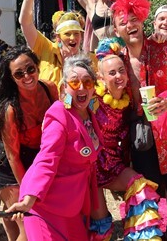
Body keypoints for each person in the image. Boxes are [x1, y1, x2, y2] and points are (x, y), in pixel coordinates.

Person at [111, 0, 167, 241]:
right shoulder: (116, 61)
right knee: (147, 196)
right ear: (117, 30)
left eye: (134, 19)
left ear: (142, 20)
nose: (130, 25)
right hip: (139, 139)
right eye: (123, 22)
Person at [6, 54, 103, 240]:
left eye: (87, 82)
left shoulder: (89, 114)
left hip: (70, 202)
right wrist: (29, 198)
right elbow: (47, 158)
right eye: (74, 83)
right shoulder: (58, 116)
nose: (81, 87)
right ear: (64, 87)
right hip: (45, 203)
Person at [88, 38, 162, 240]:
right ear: (101, 78)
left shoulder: (128, 99)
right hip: (89, 169)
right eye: (112, 73)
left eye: (121, 70)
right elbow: (66, 101)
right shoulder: (91, 97)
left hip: (113, 165)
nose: (118, 76)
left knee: (141, 189)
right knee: (101, 227)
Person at [0, 46, 58, 241]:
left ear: (37, 66)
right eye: (19, 73)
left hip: (35, 164)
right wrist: (29, 193)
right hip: (7, 171)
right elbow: (13, 157)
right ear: (12, 79)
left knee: (21, 230)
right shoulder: (10, 110)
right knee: (29, 225)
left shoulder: (50, 89)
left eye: (30, 68)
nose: (27, 75)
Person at [20, 0, 91, 86]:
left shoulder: (89, 60)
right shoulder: (45, 48)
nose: (72, 38)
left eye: (76, 33)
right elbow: (25, 23)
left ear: (81, 36)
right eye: (67, 34)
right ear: (57, 37)